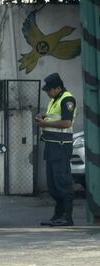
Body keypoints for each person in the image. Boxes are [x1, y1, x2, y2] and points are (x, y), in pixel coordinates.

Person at [36, 73, 76, 227]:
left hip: (61, 145)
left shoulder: (67, 99)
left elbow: (66, 122)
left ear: (58, 88)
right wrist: (43, 116)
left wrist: (45, 124)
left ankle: (66, 216)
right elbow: (53, 116)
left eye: (49, 90)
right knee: (52, 183)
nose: (47, 93)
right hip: (51, 145)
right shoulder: (55, 100)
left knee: (62, 181)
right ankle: (58, 215)